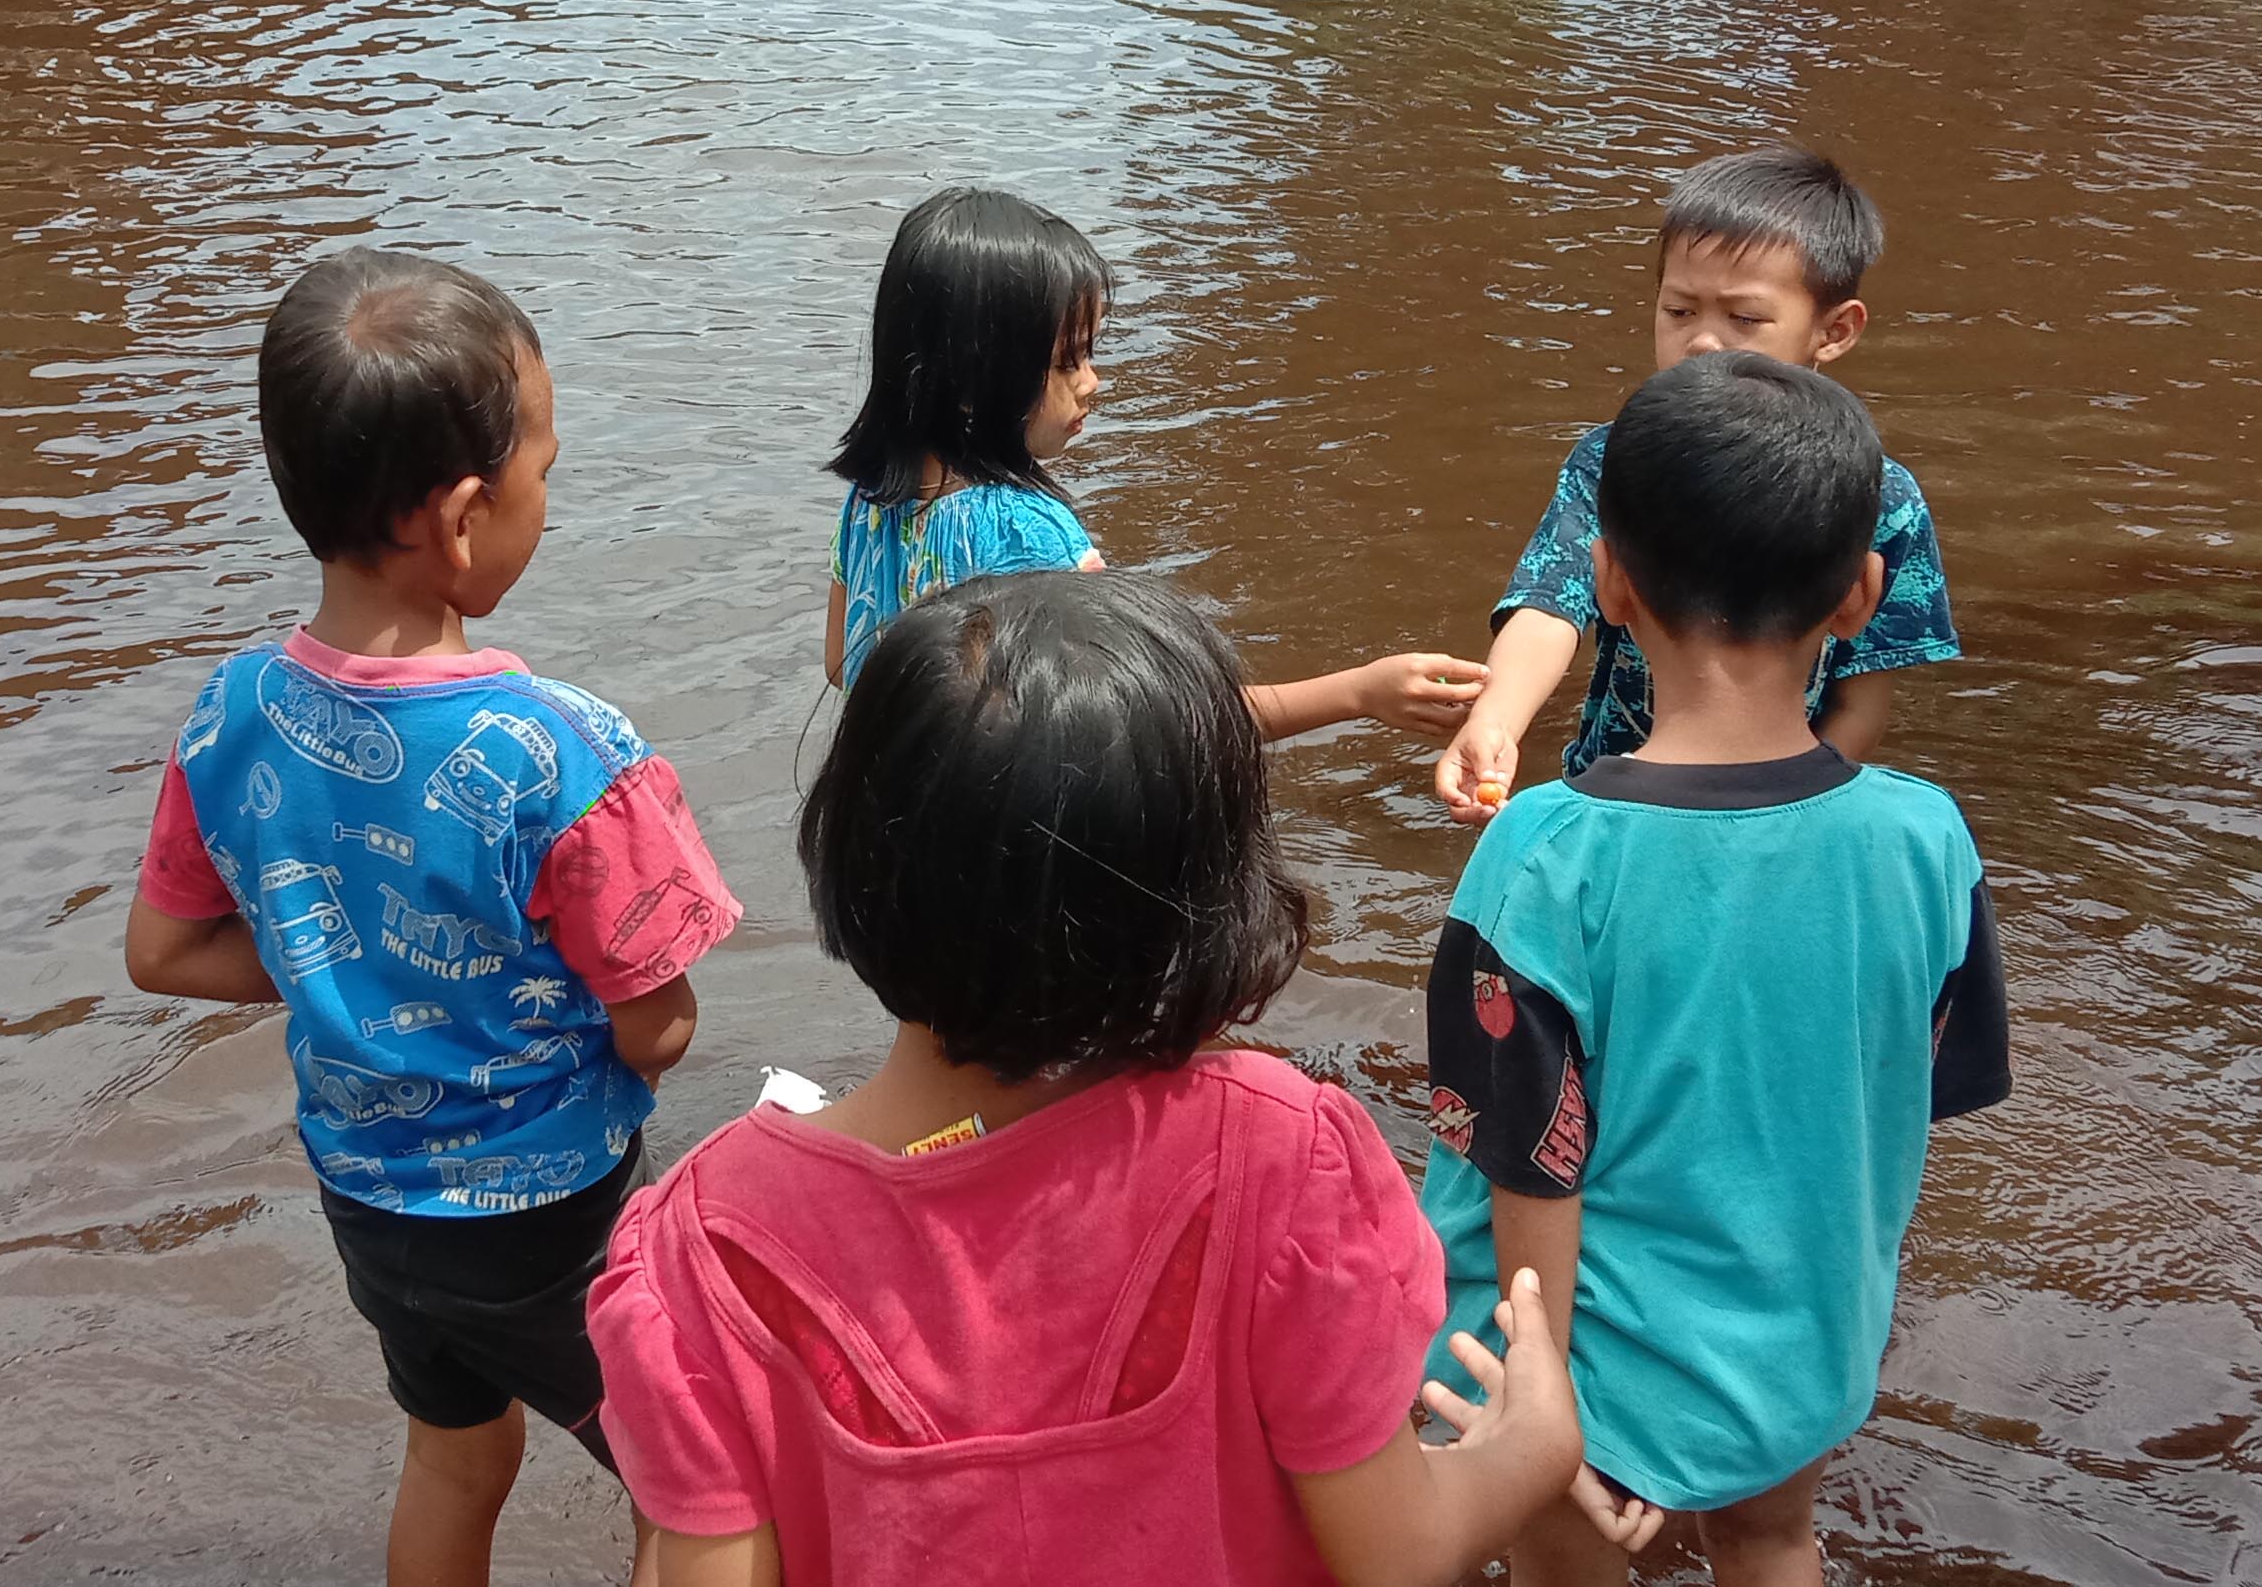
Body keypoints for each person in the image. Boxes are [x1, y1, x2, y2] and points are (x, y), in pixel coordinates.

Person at [596, 570, 1588, 1587]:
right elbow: (1398, 1552)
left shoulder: (704, 1245)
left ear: (853, 853)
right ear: (1210, 894)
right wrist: (1532, 1445)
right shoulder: (1281, 1159)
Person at [124, 247, 743, 1587]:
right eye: (545, 476)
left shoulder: (231, 712)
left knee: (457, 1455)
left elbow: (163, 950)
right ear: (462, 519)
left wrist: (347, 967)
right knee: (696, 1488)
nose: (547, 504)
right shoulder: (568, 755)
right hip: (544, 1216)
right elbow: (661, 1028)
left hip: (369, 1200)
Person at [1420, 352, 2012, 1586]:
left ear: (1610, 583)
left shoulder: (1546, 852)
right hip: (1801, 1334)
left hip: (1577, 1356)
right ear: (1859, 596)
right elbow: (1921, 1085)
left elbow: (1529, 1147)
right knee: (1771, 1541)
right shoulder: (1927, 839)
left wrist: (1543, 1404)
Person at [830, 187, 1490, 741]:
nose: (1093, 382)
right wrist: (1358, 693)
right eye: (1068, 361)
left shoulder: (870, 496)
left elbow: (841, 664)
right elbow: (1152, 716)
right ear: (974, 384)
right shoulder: (1025, 530)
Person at [1434, 146, 1955, 821]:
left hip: (1785, 803)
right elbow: (1549, 606)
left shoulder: (1881, 500)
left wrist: (1789, 817)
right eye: (1679, 312)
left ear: (1833, 329)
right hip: (1617, 797)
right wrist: (1495, 720)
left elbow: (1863, 697)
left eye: (1742, 319)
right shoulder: (1610, 461)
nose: (1702, 343)